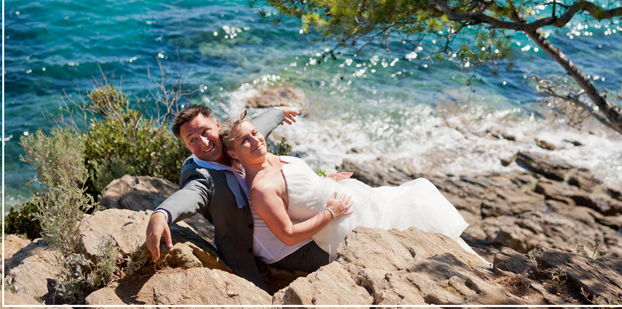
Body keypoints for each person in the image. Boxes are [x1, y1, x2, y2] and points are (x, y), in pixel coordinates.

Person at [219, 109, 480, 263]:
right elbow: (287, 234)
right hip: (336, 230)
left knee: (413, 196)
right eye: (244, 141)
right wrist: (330, 213)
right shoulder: (261, 189)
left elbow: (295, 185)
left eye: (255, 132)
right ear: (233, 155)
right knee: (413, 208)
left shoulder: (270, 158)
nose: (255, 140)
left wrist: (323, 178)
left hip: (350, 202)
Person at [145, 104, 342, 290]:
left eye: (205, 132)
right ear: (187, 146)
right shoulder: (200, 176)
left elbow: (256, 127)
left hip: (292, 222)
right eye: (192, 140)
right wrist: (161, 214)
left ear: (217, 126)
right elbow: (189, 195)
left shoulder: (237, 141)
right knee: (343, 252)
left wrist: (278, 112)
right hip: (273, 247)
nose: (204, 142)